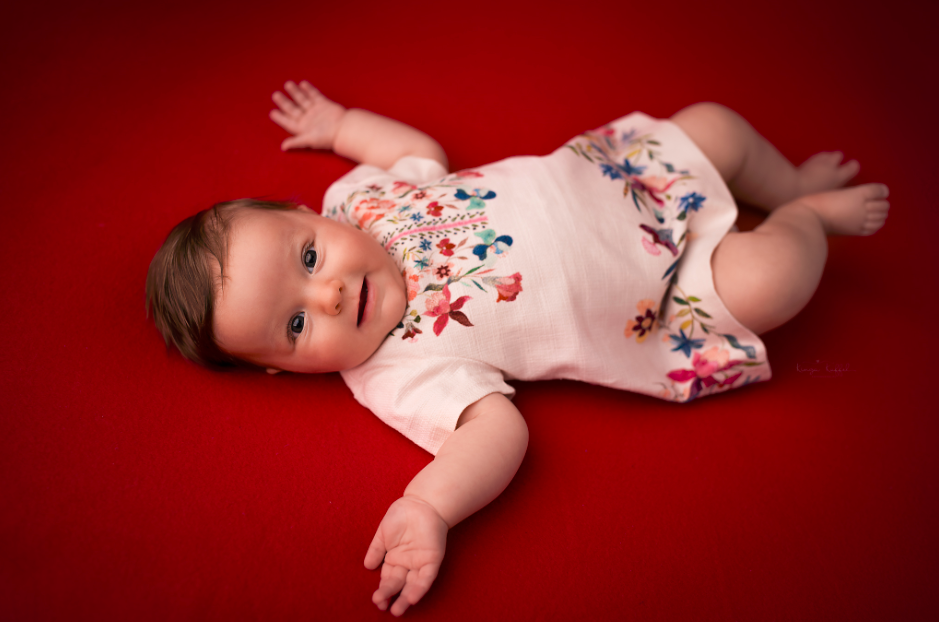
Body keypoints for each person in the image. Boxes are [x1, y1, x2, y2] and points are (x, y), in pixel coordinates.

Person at [146, 80, 889, 616]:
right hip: (657, 297)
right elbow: (494, 428)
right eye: (296, 326)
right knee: (772, 279)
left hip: (622, 180)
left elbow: (415, 150)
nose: (329, 295)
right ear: (279, 369)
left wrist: (341, 125)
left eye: (309, 258)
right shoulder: (392, 370)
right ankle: (805, 217)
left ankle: (785, 180)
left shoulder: (361, 201)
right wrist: (429, 506)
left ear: (312, 213)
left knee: (713, 124)